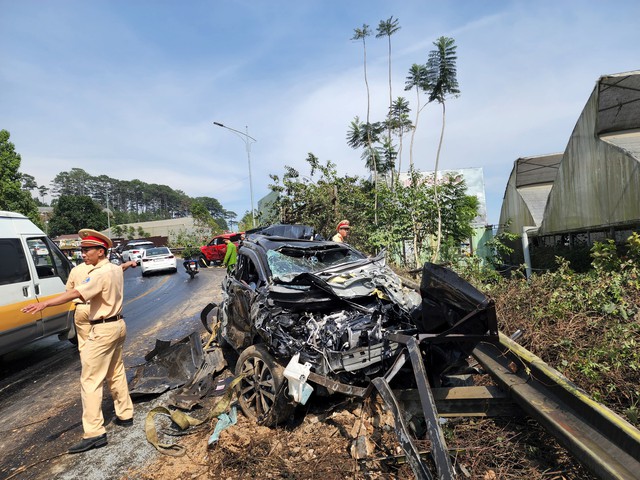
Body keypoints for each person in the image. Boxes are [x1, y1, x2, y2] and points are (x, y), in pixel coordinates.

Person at [21, 229, 137, 454]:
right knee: (116, 371)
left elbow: (74, 294)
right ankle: (125, 414)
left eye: (87, 250)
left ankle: (95, 433)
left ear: (100, 252)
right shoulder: (113, 268)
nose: (82, 254)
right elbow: (116, 271)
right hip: (118, 325)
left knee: (90, 381)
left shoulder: (99, 274)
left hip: (102, 329)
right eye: (82, 250)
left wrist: (44, 304)